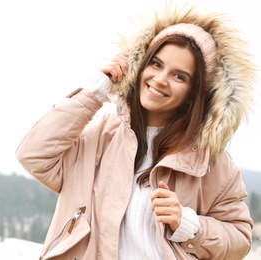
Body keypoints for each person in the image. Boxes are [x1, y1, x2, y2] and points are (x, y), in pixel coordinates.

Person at [16, 3, 256, 260]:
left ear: (192, 94)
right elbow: (34, 155)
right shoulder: (101, 136)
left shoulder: (211, 162)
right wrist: (94, 94)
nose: (160, 79)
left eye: (179, 76)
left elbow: (240, 239)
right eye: (156, 63)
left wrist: (188, 224)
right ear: (141, 64)